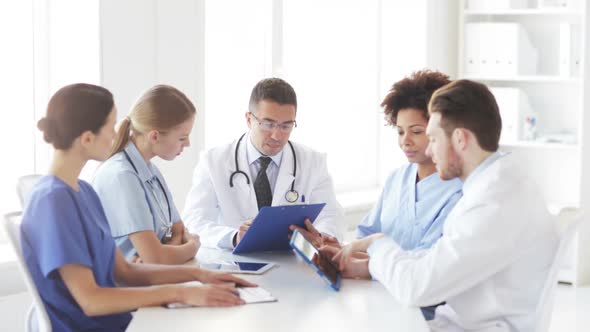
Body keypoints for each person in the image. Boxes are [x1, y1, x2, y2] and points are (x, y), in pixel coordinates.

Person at [21, 83, 255, 332]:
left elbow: (125, 271)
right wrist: (181, 294)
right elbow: (91, 301)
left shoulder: (84, 192)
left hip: (119, 320)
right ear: (87, 138)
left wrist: (199, 276)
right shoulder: (52, 201)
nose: (116, 134)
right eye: (110, 127)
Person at [330, 79, 559, 331]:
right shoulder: (496, 183)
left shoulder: (494, 202)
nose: (429, 152)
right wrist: (370, 262)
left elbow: (417, 288)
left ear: (460, 139)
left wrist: (376, 243)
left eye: (433, 139)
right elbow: (438, 258)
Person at [295, 70, 462, 255]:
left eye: (416, 131)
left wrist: (362, 259)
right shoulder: (397, 179)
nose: (405, 141)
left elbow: (428, 259)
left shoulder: (457, 190)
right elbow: (366, 235)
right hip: (372, 282)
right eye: (400, 131)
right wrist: (341, 249)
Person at [183, 77, 344, 249]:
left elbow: (331, 215)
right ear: (248, 119)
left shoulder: (313, 162)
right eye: (268, 124)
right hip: (232, 266)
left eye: (286, 126)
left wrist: (320, 236)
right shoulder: (213, 162)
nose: (276, 135)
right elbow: (194, 221)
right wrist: (234, 237)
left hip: (291, 264)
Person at [93, 85, 200, 264]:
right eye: (182, 137)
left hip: (153, 276)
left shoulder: (150, 170)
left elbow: (178, 230)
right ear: (154, 136)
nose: (187, 144)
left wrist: (167, 249)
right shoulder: (122, 176)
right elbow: (156, 258)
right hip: (127, 285)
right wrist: (193, 246)